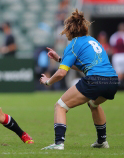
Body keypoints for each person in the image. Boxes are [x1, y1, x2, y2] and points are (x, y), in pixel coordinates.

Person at [40, 9, 118, 150]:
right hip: (112, 81)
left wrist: (47, 81)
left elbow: (61, 74)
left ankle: (58, 143)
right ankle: (102, 141)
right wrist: (59, 59)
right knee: (93, 104)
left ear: (69, 30)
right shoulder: (92, 40)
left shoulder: (74, 44)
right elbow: (83, 66)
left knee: (60, 106)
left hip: (95, 80)